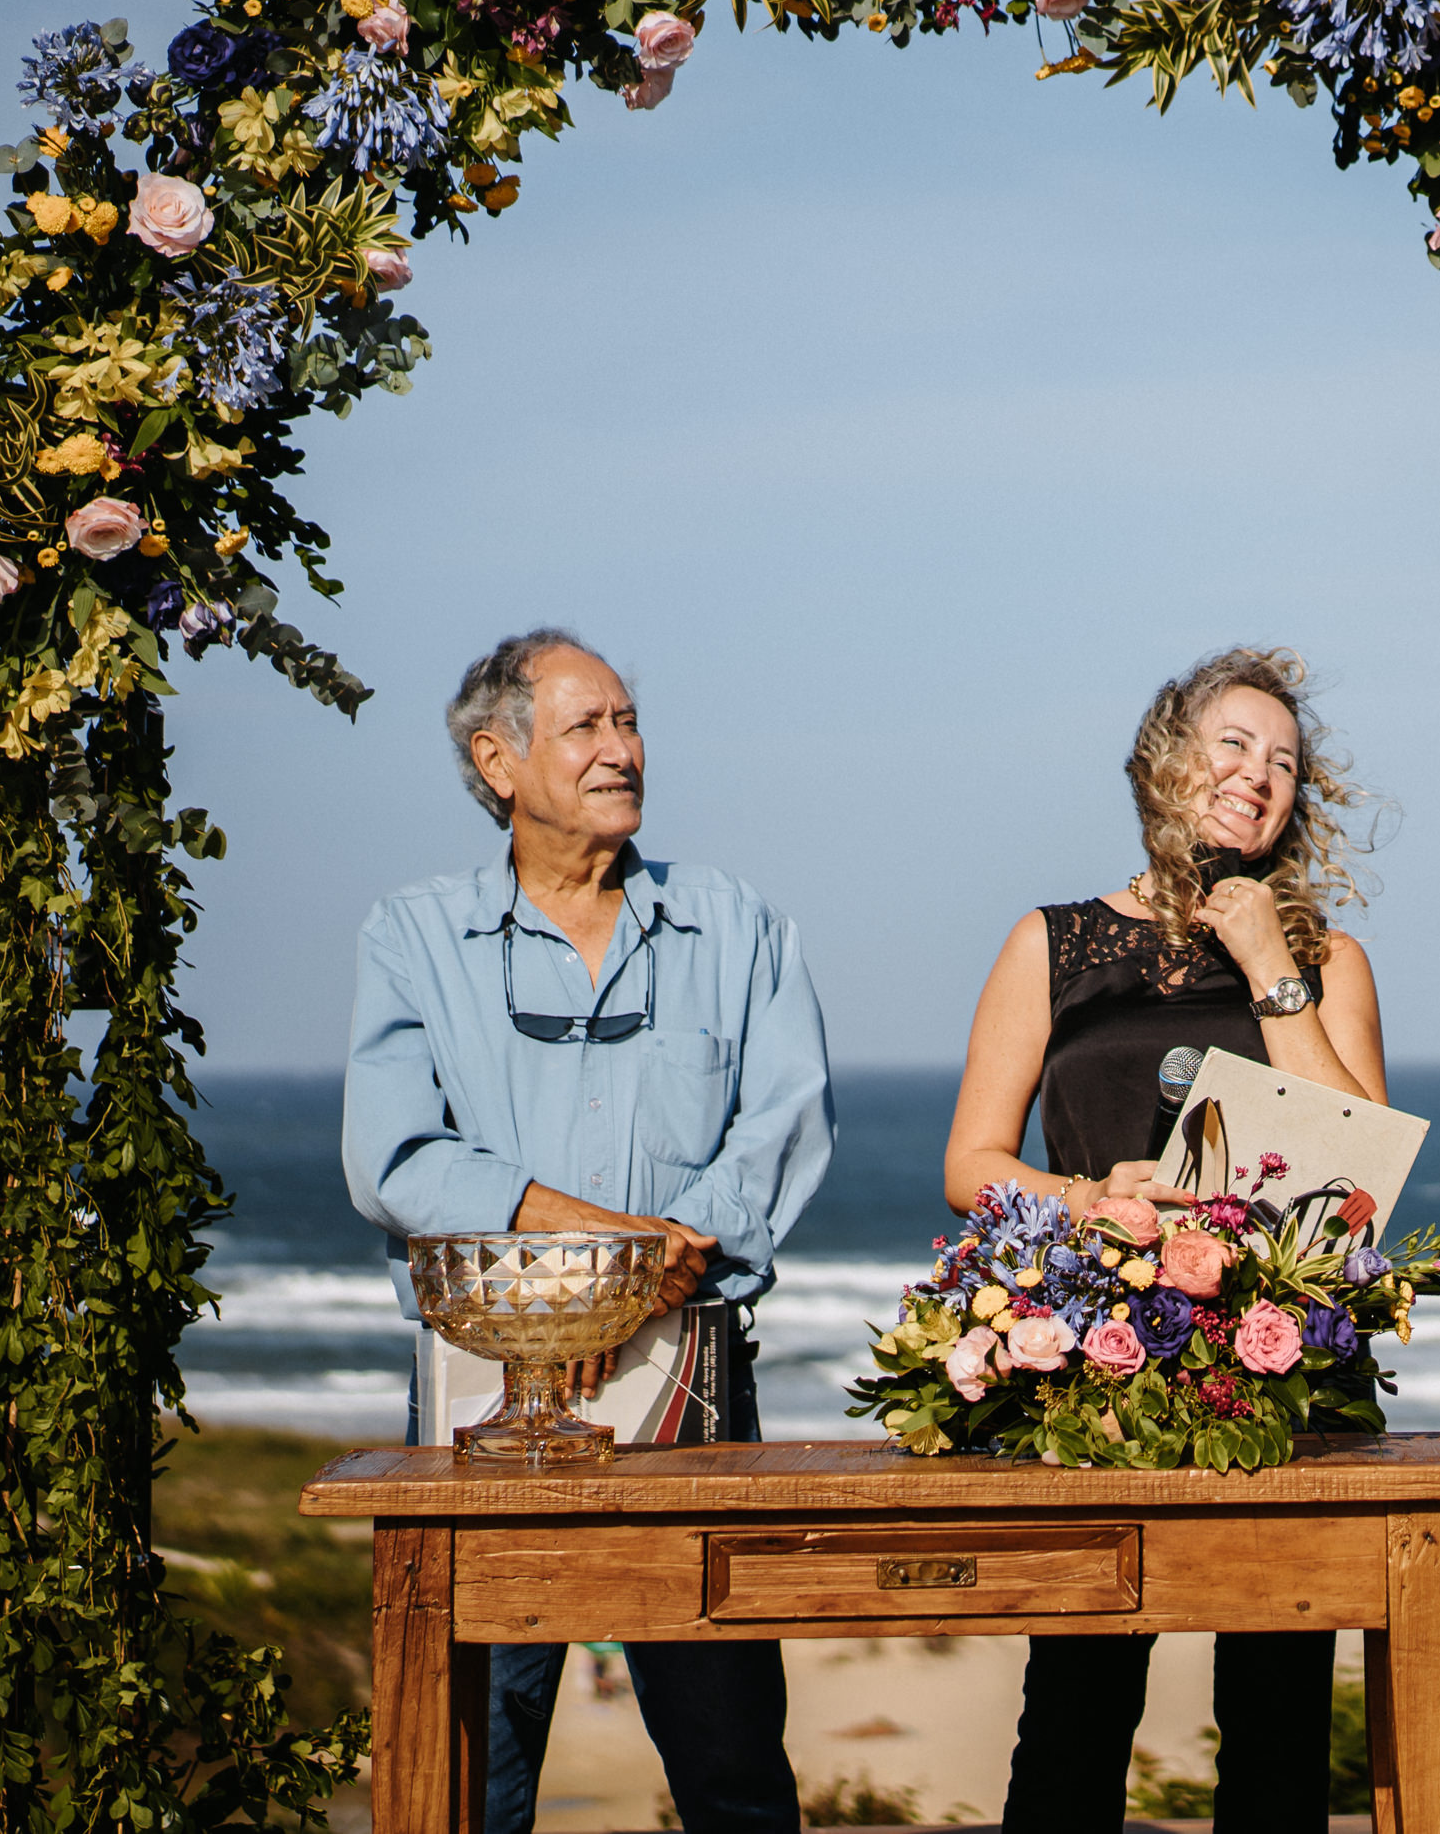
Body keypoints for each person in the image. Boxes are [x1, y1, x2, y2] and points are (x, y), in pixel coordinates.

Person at [344, 629, 833, 1834]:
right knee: (478, 1768)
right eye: (585, 726)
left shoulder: (736, 924)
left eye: (628, 720)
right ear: (496, 759)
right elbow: (396, 1156)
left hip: (689, 1396)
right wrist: (612, 1241)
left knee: (732, 1765)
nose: (621, 749)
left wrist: (667, 1261)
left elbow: (785, 1122)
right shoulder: (411, 936)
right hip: (485, 1404)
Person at [943, 645, 1386, 1834]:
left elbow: (1358, 1180)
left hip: (1284, 1384)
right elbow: (971, 1165)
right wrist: (1087, 1201)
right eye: (1233, 743)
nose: (1258, 774)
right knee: (1076, 1721)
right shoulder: (1053, 941)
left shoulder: (1327, 960)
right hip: (1101, 1379)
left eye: (1284, 762)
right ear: (1165, 760)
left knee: (1281, 1728)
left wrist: (1264, 959)